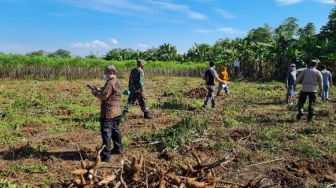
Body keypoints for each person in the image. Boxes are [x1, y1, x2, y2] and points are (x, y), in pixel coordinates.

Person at [89, 65, 123, 162]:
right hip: (117, 112)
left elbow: (104, 96)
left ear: (111, 72)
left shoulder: (110, 82)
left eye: (105, 73)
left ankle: (106, 155)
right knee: (116, 130)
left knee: (106, 133)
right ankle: (118, 148)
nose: (104, 74)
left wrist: (95, 93)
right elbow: (108, 91)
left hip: (109, 113)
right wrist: (96, 88)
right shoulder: (116, 81)